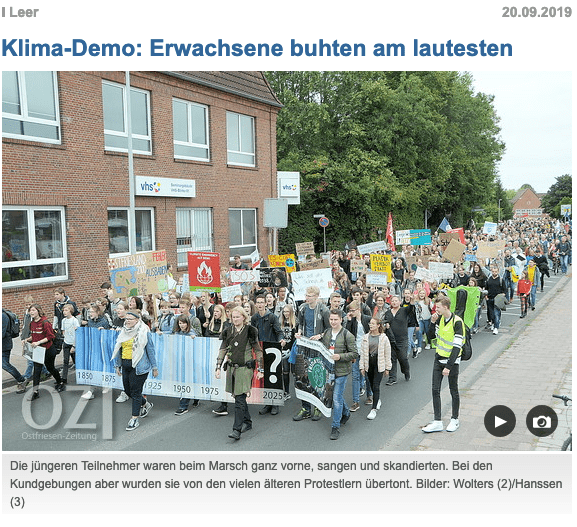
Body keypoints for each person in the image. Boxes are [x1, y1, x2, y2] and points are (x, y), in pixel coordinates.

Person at [215, 306, 264, 440]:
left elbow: (258, 350)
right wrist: (218, 366)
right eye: (233, 317)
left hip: (245, 368)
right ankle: (247, 422)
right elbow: (223, 349)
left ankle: (237, 429)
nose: (235, 319)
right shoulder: (227, 331)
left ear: (244, 317)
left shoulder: (250, 331)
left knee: (240, 398)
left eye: (237, 317)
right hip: (231, 368)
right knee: (238, 397)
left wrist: (260, 369)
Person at [422, 295, 465, 433]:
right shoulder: (439, 319)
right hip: (438, 359)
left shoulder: (457, 322)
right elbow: (430, 337)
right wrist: (433, 323)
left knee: (453, 390)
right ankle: (437, 421)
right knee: (435, 390)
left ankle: (454, 419)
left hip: (451, 362)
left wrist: (448, 366)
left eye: (438, 307)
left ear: (445, 307)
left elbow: (457, 347)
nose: (436, 309)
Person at [112, 309, 158, 431]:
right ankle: (145, 404)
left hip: (139, 366)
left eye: (130, 319)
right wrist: (117, 365)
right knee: (128, 391)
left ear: (137, 320)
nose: (127, 321)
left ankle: (134, 419)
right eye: (126, 319)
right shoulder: (123, 332)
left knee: (136, 392)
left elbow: (150, 351)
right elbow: (118, 349)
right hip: (126, 365)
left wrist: (154, 367)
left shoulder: (144, 332)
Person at [315, 309, 358, 440]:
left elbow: (354, 353)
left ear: (341, 320)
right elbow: (323, 347)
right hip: (329, 370)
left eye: (335, 319)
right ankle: (346, 413)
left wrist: (340, 356)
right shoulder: (327, 332)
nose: (333, 322)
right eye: (331, 319)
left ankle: (335, 427)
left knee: (336, 399)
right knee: (335, 396)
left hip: (341, 371)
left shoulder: (348, 335)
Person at [293, 286, 331, 422]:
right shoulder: (302, 308)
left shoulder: (324, 310)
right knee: (302, 377)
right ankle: (306, 408)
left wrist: (320, 335)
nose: (306, 297)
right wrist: (299, 332)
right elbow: (300, 324)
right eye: (306, 295)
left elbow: (330, 329)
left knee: (316, 378)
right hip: (304, 348)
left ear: (316, 296)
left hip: (317, 349)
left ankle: (317, 407)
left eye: (309, 295)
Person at [252, 295, 284, 415]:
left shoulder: (272, 317)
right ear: (255, 304)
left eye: (262, 302)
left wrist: (281, 340)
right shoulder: (254, 318)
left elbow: (279, 332)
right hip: (259, 350)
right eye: (258, 302)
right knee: (263, 377)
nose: (260, 304)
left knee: (273, 376)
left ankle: (275, 404)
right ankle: (267, 403)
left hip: (272, 349)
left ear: (266, 303)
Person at [26, 304, 65, 400]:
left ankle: (60, 382)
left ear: (38, 311)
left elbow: (51, 336)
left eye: (33, 310)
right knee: (37, 370)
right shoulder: (31, 323)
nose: (31, 312)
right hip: (38, 351)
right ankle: (35, 392)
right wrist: (27, 340)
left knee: (50, 368)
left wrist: (38, 342)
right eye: (30, 310)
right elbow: (34, 336)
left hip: (48, 349)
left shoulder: (45, 322)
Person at [359, 318, 391, 420]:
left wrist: (387, 368)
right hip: (369, 364)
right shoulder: (365, 337)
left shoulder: (383, 338)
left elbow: (387, 353)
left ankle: (374, 409)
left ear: (378, 325)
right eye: (370, 323)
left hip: (379, 364)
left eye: (373, 323)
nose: (370, 325)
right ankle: (377, 399)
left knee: (376, 385)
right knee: (372, 384)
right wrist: (362, 367)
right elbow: (363, 353)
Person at [344, 300, 371, 411]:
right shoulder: (352, 321)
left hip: (367, 351)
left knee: (368, 375)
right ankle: (356, 401)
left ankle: (370, 395)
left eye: (353, 310)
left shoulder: (367, 319)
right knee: (355, 376)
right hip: (356, 351)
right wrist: (349, 321)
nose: (351, 312)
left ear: (358, 309)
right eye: (350, 310)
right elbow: (348, 335)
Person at [383, 294, 415, 384]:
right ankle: (392, 378)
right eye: (392, 301)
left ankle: (406, 371)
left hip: (402, 339)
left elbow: (411, 308)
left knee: (403, 358)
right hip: (391, 339)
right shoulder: (388, 313)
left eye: (396, 300)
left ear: (400, 302)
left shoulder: (404, 310)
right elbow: (384, 322)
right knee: (392, 359)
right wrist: (386, 326)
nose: (394, 302)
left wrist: (412, 301)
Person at [3, 308, 26, 393]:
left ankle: (21, 379)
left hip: (4, 345)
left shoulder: (3, 316)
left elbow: (2, 332)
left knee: (4, 364)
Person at [279, 304, 297, 400]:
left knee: (294, 372)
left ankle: (299, 392)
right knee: (285, 371)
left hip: (293, 350)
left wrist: (291, 348)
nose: (286, 313)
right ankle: (286, 392)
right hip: (284, 350)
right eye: (284, 311)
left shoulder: (295, 323)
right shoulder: (281, 322)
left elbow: (295, 338)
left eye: (287, 311)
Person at [60, 303, 80, 384]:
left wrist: (74, 346)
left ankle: (79, 375)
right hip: (66, 343)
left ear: (70, 311)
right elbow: (63, 330)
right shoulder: (63, 321)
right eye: (63, 310)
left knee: (76, 361)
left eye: (66, 310)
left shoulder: (74, 320)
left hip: (73, 344)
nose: (64, 312)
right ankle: (64, 379)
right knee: (65, 361)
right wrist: (65, 336)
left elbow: (77, 333)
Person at [485, 265, 506, 335]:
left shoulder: (501, 280)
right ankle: (494, 323)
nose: (494, 273)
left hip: (498, 299)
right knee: (491, 314)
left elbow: (504, 290)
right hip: (490, 298)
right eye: (493, 271)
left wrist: (503, 295)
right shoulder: (489, 279)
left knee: (496, 313)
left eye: (496, 271)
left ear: (498, 272)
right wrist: (486, 296)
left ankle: (496, 327)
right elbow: (486, 289)